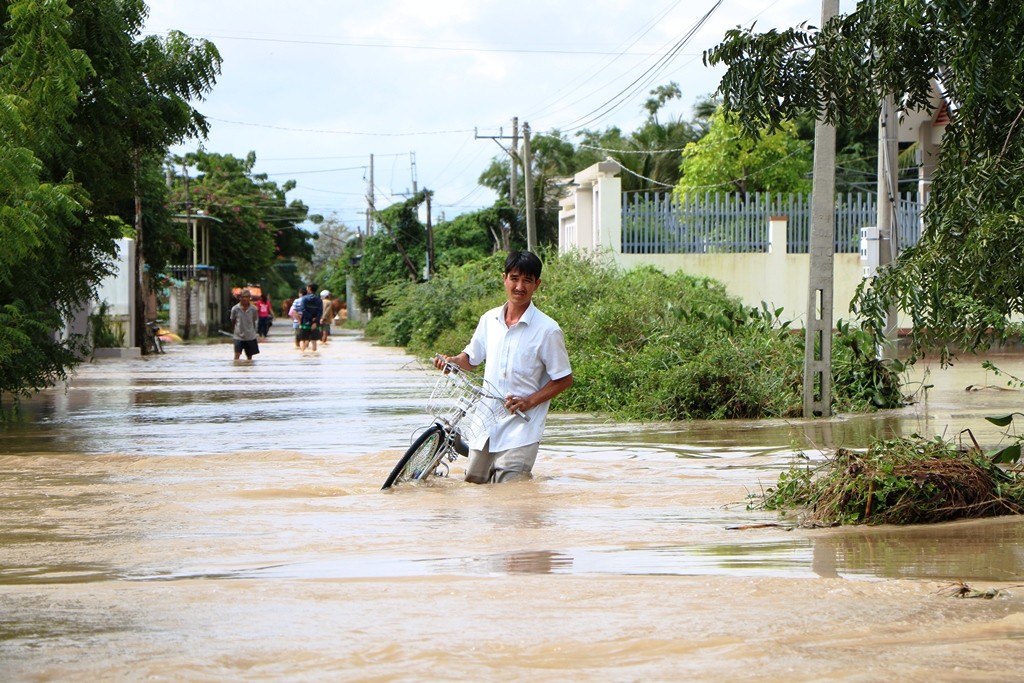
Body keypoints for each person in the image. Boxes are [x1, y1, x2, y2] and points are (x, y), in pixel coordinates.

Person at [434, 250, 573, 484]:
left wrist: (529, 401)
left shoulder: (548, 330)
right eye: (515, 278)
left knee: (512, 500)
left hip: (521, 430)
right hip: (484, 426)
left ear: (536, 284)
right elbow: (471, 359)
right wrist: (453, 362)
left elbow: (564, 379)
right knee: (475, 492)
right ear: (504, 278)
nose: (520, 286)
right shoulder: (489, 320)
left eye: (527, 280)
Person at [229, 289, 260, 360]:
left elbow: (254, 321)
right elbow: (233, 321)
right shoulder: (235, 309)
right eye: (243, 297)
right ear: (240, 298)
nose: (245, 299)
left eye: (246, 297)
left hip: (250, 336)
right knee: (237, 355)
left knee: (249, 357)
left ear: (249, 298)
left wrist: (254, 332)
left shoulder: (254, 309)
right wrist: (235, 331)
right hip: (238, 336)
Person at [299, 283, 323, 352]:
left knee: (302, 340)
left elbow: (303, 310)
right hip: (315, 324)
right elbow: (320, 311)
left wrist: (310, 317)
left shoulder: (304, 299)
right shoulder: (319, 300)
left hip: (305, 322)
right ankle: (314, 359)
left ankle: (303, 356)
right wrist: (315, 321)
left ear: (309, 289)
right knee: (314, 342)